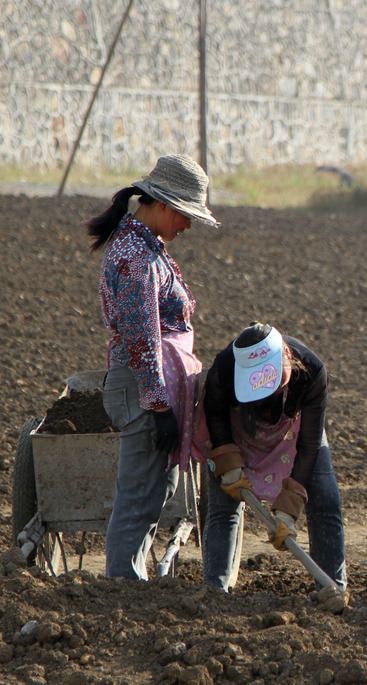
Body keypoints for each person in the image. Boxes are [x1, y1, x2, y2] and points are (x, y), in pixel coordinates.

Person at [86, 154, 219, 580]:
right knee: (140, 496)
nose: (189, 225)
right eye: (185, 215)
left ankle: (131, 582)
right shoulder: (136, 257)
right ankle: (122, 586)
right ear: (162, 206)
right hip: (143, 387)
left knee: (152, 494)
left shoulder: (146, 247)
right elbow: (142, 338)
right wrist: (160, 408)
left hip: (150, 387)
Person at [196, 323, 347, 597]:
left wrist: (289, 508)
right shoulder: (225, 367)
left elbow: (311, 444)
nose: (269, 392)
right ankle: (214, 590)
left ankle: (333, 588)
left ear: (287, 355)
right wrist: (227, 462)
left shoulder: (312, 371)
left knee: (326, 500)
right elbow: (215, 414)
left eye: (275, 382)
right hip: (238, 430)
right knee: (223, 506)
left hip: (295, 432)